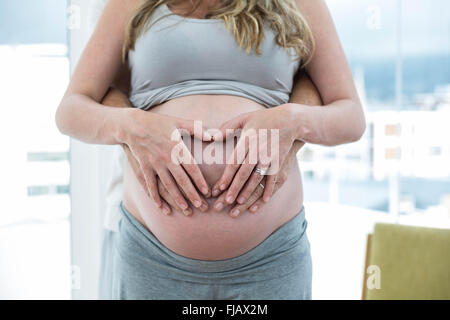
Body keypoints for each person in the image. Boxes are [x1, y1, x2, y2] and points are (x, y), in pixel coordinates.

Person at [56, 0, 365, 300]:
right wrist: (132, 126)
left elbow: (350, 116)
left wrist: (293, 120)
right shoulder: (132, 4)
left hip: (270, 259)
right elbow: (71, 110)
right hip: (151, 256)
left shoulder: (298, 3)